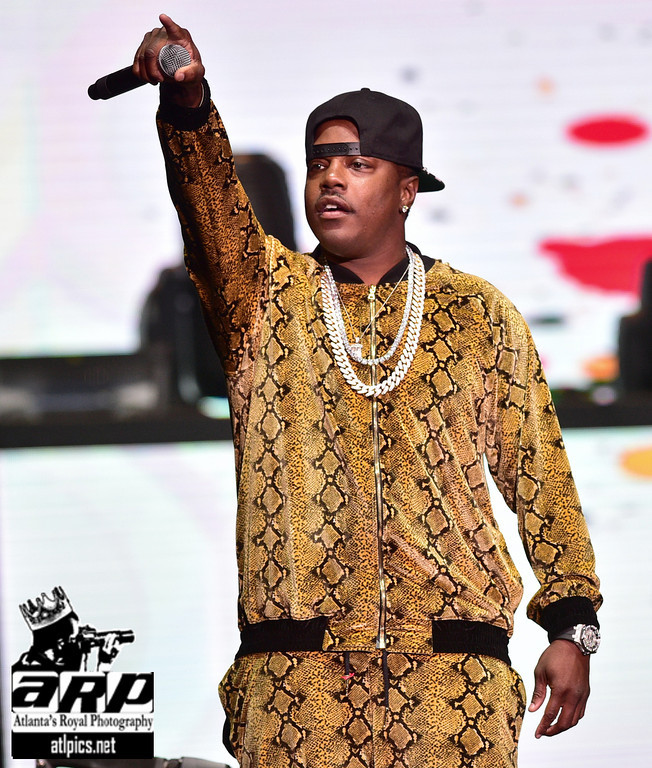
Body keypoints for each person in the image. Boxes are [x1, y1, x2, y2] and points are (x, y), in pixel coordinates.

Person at [132, 14, 602, 768]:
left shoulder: (478, 314)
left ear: (407, 189)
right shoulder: (265, 299)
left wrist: (572, 628)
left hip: (452, 691)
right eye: (320, 163)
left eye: (358, 163)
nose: (331, 178)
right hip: (298, 692)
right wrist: (188, 107)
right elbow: (210, 207)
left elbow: (541, 476)